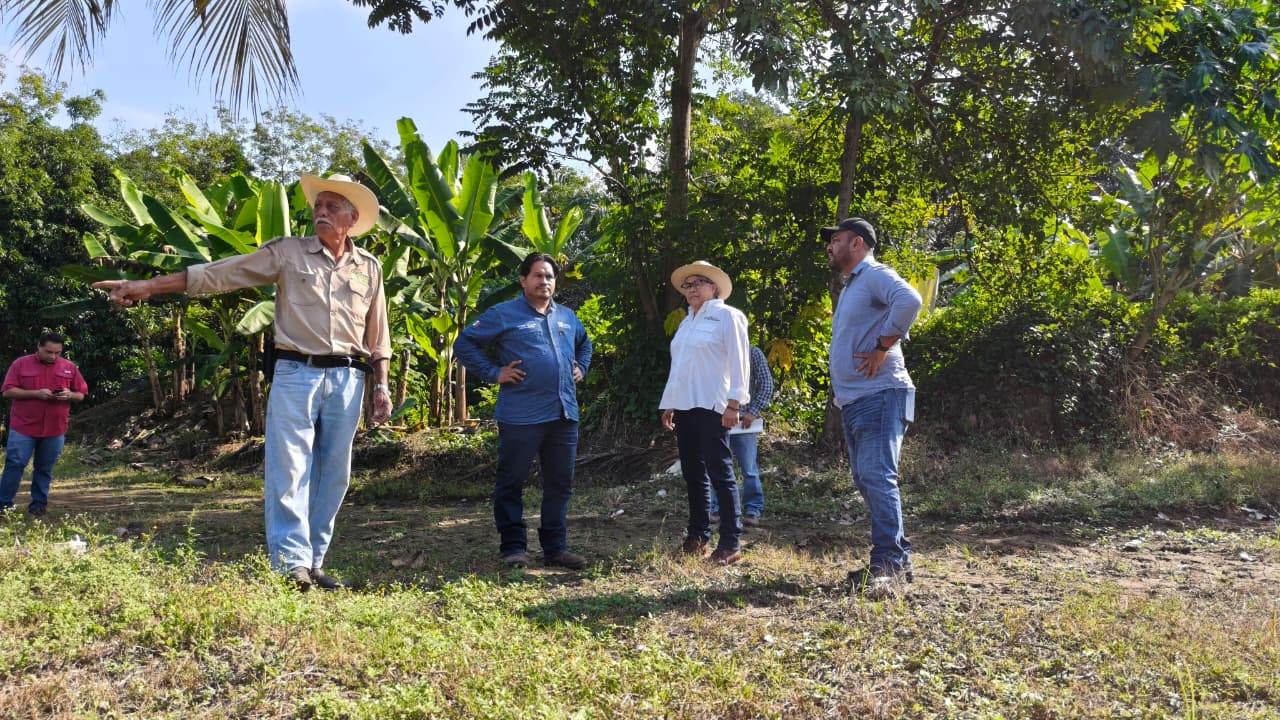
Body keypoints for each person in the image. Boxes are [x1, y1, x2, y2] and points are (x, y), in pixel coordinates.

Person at [93, 174, 392, 592]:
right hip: (295, 373)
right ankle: (291, 565)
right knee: (289, 469)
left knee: (334, 474)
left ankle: (315, 560)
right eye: (318, 205)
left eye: (331, 207)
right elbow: (222, 274)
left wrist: (381, 386)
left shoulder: (369, 268)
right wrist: (147, 286)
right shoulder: (288, 252)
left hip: (348, 378)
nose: (320, 212)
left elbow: (379, 335)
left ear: (352, 218)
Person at [454, 253, 593, 570]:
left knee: (560, 484)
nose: (544, 281)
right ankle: (513, 547)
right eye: (538, 276)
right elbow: (464, 344)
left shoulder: (567, 317)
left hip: (563, 414)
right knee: (511, 482)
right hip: (521, 415)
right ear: (523, 280)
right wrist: (493, 373)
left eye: (549, 276)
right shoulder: (504, 314)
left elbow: (585, 344)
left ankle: (555, 548)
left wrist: (581, 367)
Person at [822, 217, 923, 598]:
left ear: (858, 243)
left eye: (837, 240)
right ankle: (895, 557)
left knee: (877, 476)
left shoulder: (875, 273)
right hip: (858, 399)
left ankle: (890, 564)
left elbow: (910, 300)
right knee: (868, 478)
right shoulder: (853, 285)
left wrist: (883, 346)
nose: (830, 247)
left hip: (880, 394)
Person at [659, 261, 751, 566]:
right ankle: (697, 537)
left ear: (714, 287)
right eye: (688, 285)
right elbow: (679, 368)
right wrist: (669, 402)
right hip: (685, 405)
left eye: (700, 282)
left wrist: (735, 403)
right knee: (693, 473)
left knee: (720, 473)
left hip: (713, 405)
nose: (693, 288)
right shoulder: (686, 324)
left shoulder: (727, 316)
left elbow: (740, 362)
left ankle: (730, 543)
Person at [1, 332, 89, 517]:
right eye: (49, 351)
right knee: (15, 464)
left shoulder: (69, 367)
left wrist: (69, 395)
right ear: (39, 347)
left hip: (55, 428)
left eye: (57, 352)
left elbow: (81, 394)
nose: (53, 356)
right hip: (23, 427)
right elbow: (8, 391)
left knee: (44, 468)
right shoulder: (20, 364)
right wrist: (36, 393)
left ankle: (39, 506)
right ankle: (3, 505)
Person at [709, 344, 774, 526]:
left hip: (744, 423)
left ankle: (753, 509)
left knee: (749, 468)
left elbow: (767, 385)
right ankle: (718, 507)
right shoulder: (715, 353)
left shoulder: (752, 353)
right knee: (718, 466)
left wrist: (752, 412)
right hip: (718, 419)